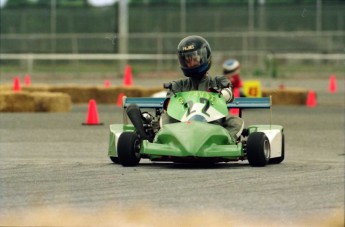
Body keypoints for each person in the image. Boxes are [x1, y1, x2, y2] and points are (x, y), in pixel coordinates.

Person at [162, 35, 244, 140]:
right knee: (165, 118)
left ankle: (225, 142)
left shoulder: (218, 81)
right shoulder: (179, 84)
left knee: (236, 122)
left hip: (213, 123)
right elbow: (169, 104)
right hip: (183, 125)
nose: (191, 63)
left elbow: (229, 93)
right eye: (187, 60)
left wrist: (218, 94)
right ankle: (167, 141)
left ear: (205, 57)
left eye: (194, 59)